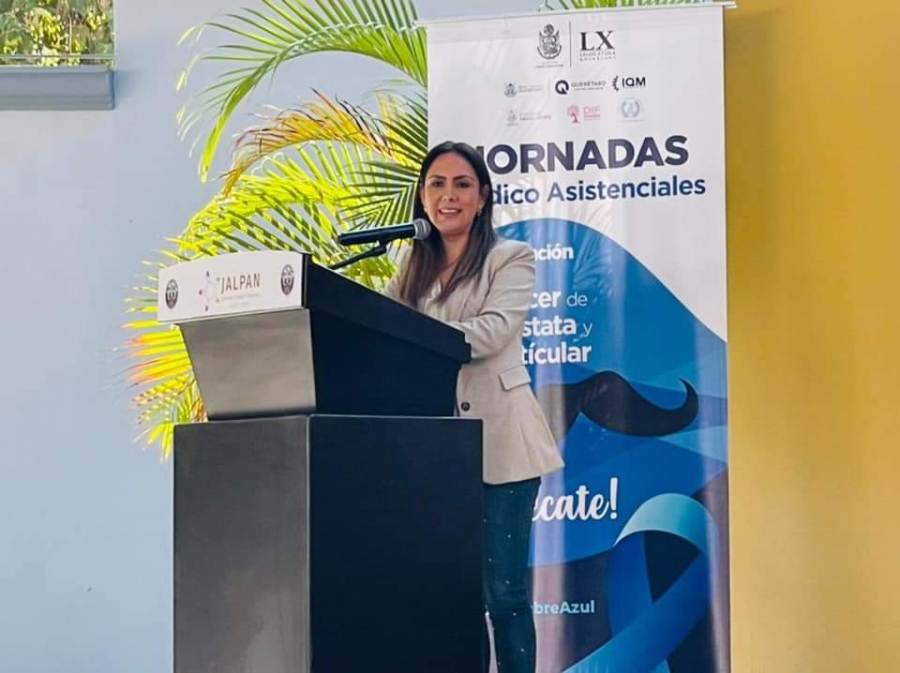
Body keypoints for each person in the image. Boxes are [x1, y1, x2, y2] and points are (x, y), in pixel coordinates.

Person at [384, 141, 564, 673]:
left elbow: (491, 333)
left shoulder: (510, 257)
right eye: (437, 184)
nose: (449, 195)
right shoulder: (409, 264)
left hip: (503, 445)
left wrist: (412, 333)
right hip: (434, 451)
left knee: (504, 594)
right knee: (447, 593)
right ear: (422, 197)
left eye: (462, 184)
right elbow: (382, 328)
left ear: (482, 197)